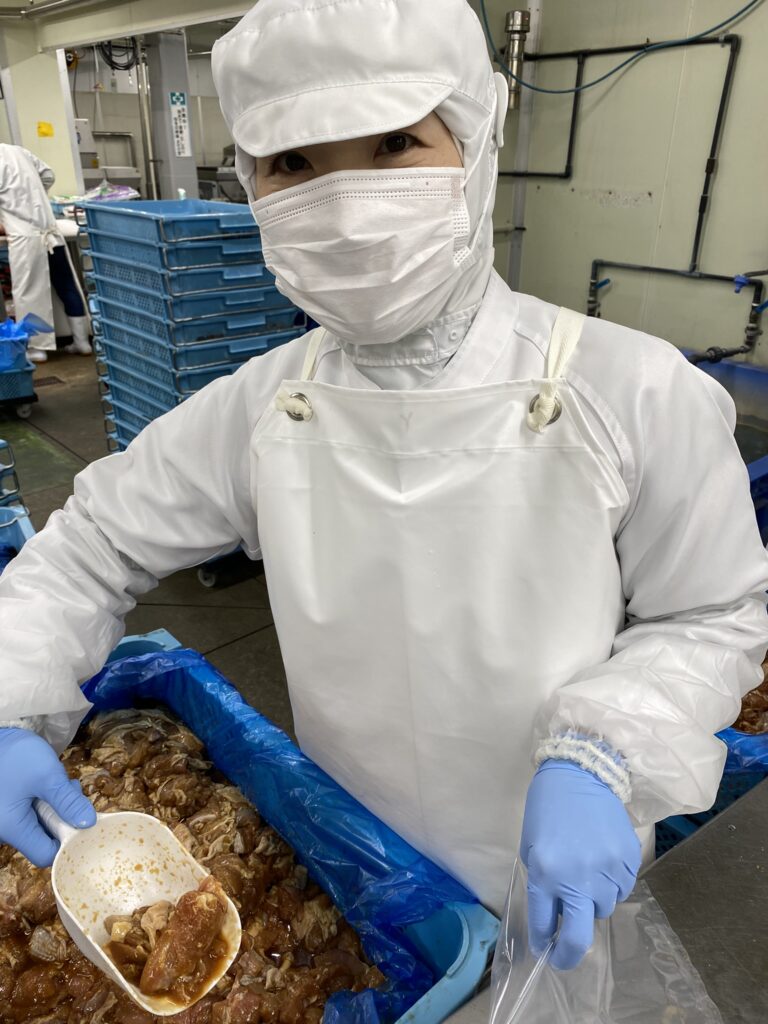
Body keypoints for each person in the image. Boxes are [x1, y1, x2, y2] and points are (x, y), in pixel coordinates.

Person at [0, 0, 767, 973]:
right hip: (350, 869)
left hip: (571, 857)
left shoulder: (634, 391)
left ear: (474, 145)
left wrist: (607, 754)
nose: (346, 203)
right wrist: (11, 701)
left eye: (395, 143)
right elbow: (90, 546)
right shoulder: (262, 409)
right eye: (294, 162)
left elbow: (712, 614)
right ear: (251, 182)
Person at [0, 144, 91, 362]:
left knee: (29, 293)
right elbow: (48, 175)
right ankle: (82, 342)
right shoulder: (17, 151)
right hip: (50, 231)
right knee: (66, 285)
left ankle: (37, 348)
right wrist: (34, 198)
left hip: (25, 237)